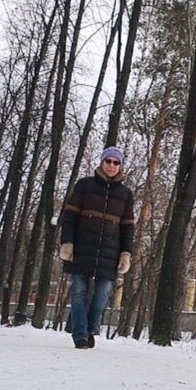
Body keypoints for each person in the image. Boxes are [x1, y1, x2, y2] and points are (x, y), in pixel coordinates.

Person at [60, 146, 135, 349]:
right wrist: (67, 242)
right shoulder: (84, 185)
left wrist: (126, 253)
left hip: (110, 251)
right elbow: (69, 217)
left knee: (103, 293)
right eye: (108, 161)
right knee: (78, 291)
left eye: (116, 162)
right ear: (102, 162)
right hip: (82, 247)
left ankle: (91, 327)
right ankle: (80, 335)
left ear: (120, 166)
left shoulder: (126, 194)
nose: (111, 165)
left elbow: (128, 227)